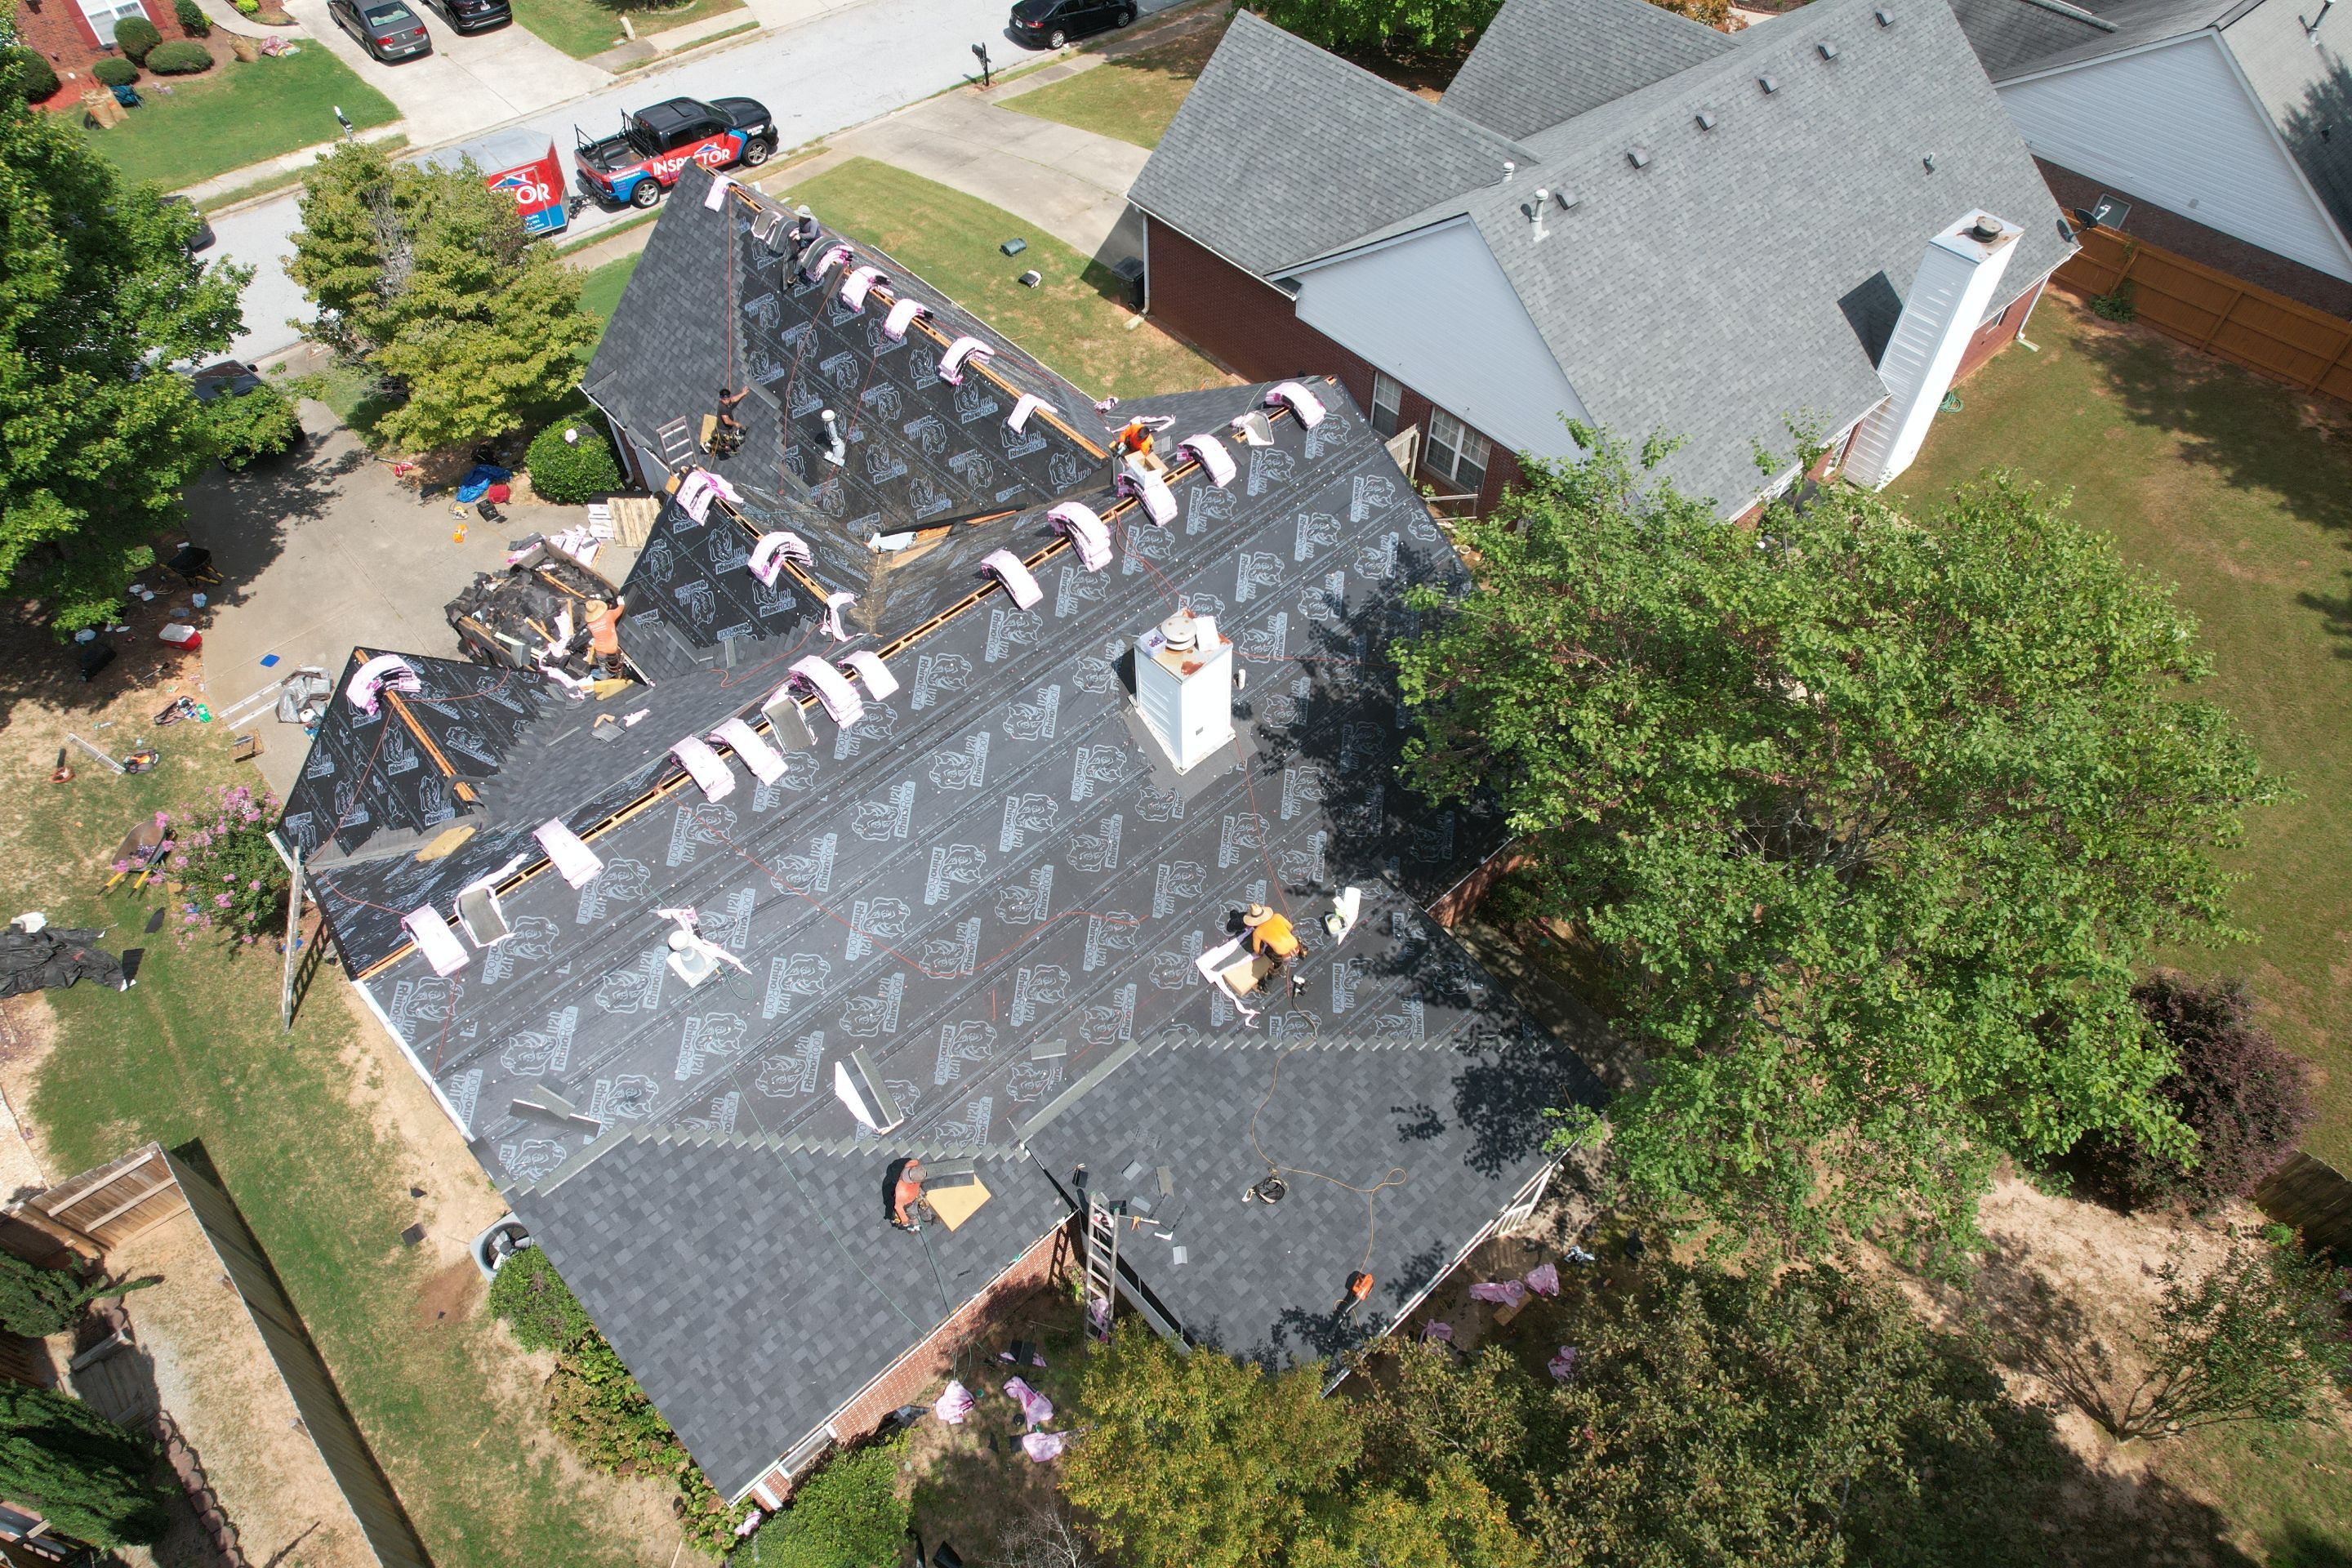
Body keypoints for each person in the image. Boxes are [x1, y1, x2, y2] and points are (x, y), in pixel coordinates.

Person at [1241, 902, 1307, 995]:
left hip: (1284, 955)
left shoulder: (1258, 932)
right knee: (1292, 941)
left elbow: (1257, 951)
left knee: (1272, 972)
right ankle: (1302, 951)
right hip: (1295, 945)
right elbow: (1290, 927)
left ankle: (1264, 988)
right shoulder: (1277, 917)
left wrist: (1261, 953)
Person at [583, 597, 626, 679]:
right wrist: (621, 601)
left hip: (599, 648)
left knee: (603, 664)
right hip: (610, 648)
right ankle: (613, 674)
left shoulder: (590, 624)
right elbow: (620, 609)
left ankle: (600, 674)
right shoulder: (609, 615)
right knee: (613, 664)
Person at [710, 385, 749, 457]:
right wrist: (735, 423)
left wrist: (743, 393)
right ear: (721, 399)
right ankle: (723, 448)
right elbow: (727, 421)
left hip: (728, 429)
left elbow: (734, 399)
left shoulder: (727, 402)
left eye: (728, 398)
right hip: (723, 430)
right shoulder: (722, 408)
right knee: (728, 444)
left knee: (735, 438)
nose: (727, 400)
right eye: (725, 399)